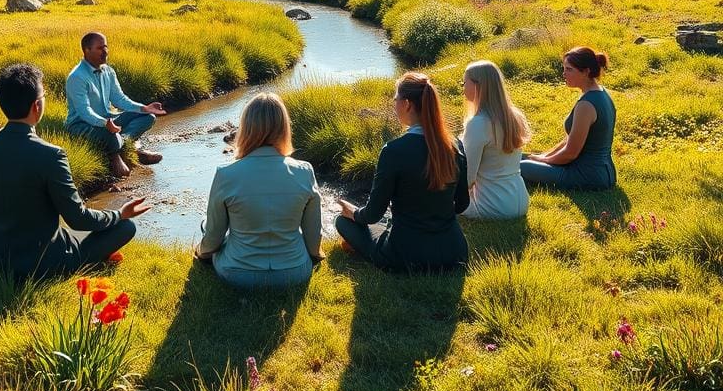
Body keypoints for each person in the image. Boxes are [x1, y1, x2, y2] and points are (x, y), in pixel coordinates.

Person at [0, 63, 148, 280]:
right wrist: (119, 214)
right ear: (37, 106)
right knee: (125, 227)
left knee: (69, 232)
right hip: (41, 264)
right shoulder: (51, 155)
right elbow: (78, 219)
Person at [336, 72, 469, 271]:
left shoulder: (394, 150)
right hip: (454, 252)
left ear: (407, 104)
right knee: (387, 220)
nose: (394, 104)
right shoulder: (454, 145)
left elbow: (372, 215)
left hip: (405, 255)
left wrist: (353, 212)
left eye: (395, 99)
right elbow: (462, 204)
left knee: (342, 222)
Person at [196, 93, 323, 289]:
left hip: (238, 273)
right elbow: (313, 238)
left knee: (207, 225)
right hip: (295, 272)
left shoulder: (226, 174)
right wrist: (315, 255)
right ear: (284, 128)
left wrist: (202, 253)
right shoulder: (305, 171)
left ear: (245, 128)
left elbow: (214, 237)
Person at [65, 31, 167, 178]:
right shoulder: (76, 77)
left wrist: (144, 108)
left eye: (106, 47)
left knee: (148, 117)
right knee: (109, 135)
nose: (105, 52)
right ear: (87, 50)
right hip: (80, 125)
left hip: (108, 119)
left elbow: (119, 99)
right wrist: (105, 123)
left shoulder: (108, 71)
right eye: (100, 48)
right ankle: (118, 153)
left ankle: (123, 143)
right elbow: (84, 112)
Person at [520, 47, 616, 190]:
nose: (564, 74)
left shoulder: (586, 105)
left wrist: (544, 160)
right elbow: (570, 139)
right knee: (520, 157)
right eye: (564, 68)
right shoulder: (600, 93)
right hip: (600, 172)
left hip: (587, 175)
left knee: (520, 166)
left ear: (586, 71)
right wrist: (542, 156)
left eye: (569, 69)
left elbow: (570, 153)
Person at [460, 60, 531, 219]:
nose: (463, 87)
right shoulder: (515, 116)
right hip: (520, 201)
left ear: (479, 86)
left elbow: (468, 178)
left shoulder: (478, 123)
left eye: (465, 82)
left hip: (492, 205)